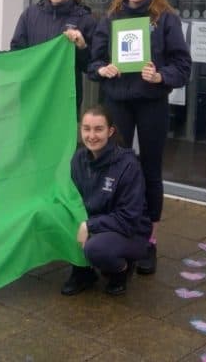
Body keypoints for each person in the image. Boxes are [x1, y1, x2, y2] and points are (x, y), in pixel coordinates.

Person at [87, 0, 191, 276]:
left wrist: (160, 76)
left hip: (151, 104)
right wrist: (103, 69)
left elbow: (182, 66)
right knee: (114, 168)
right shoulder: (111, 18)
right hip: (118, 102)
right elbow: (93, 63)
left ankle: (148, 240)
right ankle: (115, 232)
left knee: (149, 169)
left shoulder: (166, 20)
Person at [62, 105, 151, 296]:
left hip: (129, 232)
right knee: (52, 216)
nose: (91, 135)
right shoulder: (78, 159)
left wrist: (90, 225)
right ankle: (82, 272)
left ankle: (120, 270)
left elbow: (128, 219)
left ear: (110, 131)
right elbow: (70, 197)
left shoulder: (128, 165)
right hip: (96, 223)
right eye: (86, 128)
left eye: (98, 129)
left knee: (97, 248)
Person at [10, 0, 95, 113]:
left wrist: (82, 46)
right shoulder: (30, 15)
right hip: (33, 96)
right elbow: (17, 55)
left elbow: (91, 67)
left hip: (65, 100)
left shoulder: (84, 19)